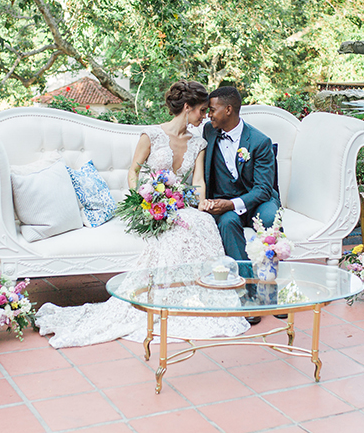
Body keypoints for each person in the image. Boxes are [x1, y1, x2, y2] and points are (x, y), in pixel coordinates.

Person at [35, 81, 249, 348]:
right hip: (152, 205)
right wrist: (144, 202)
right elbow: (133, 173)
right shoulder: (151, 135)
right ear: (187, 108)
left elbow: (198, 182)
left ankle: (198, 298)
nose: (205, 116)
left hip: (180, 206)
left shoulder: (199, 143)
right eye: (202, 110)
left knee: (203, 223)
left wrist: (201, 204)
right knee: (173, 234)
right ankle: (162, 300)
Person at [200, 86, 282, 318]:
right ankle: (247, 292)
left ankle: (269, 289)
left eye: (212, 110)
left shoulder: (259, 141)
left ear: (228, 109)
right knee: (226, 223)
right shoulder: (209, 131)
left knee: (270, 218)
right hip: (224, 204)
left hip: (258, 200)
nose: (209, 115)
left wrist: (233, 203)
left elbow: (264, 189)